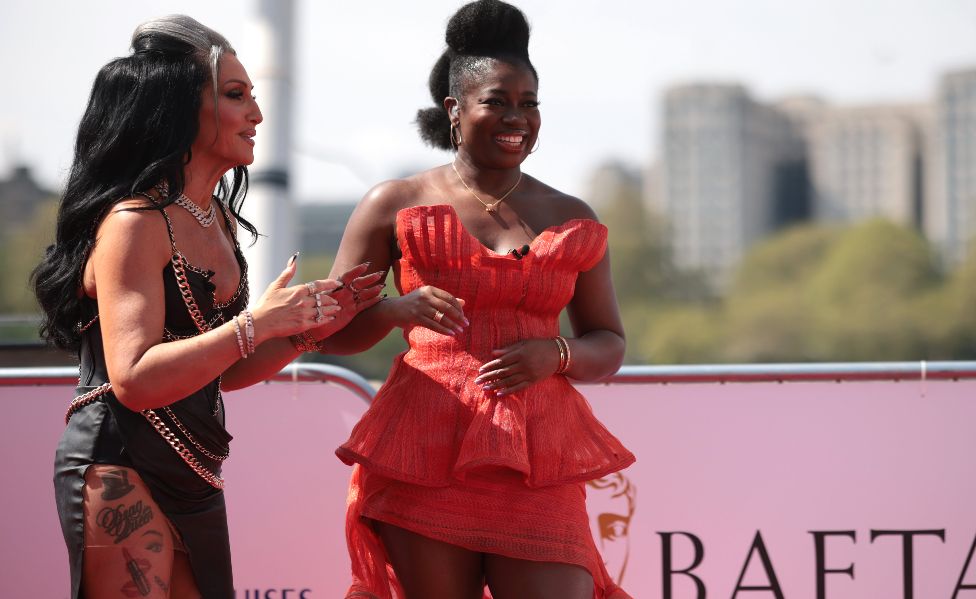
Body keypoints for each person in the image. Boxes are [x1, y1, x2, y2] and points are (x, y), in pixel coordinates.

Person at [31, 15, 383, 598]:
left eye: (253, 97)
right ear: (177, 110)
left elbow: (224, 370)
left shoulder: (214, 219)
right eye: (235, 95)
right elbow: (136, 382)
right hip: (119, 460)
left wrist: (300, 332)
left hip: (196, 471)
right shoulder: (133, 222)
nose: (257, 115)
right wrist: (257, 323)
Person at [322, 1, 635, 597]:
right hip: (426, 447)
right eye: (497, 100)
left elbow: (609, 342)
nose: (517, 116)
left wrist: (557, 355)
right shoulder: (393, 202)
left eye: (529, 103)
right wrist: (392, 312)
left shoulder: (573, 215)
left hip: (538, 453)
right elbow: (331, 333)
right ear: (455, 108)